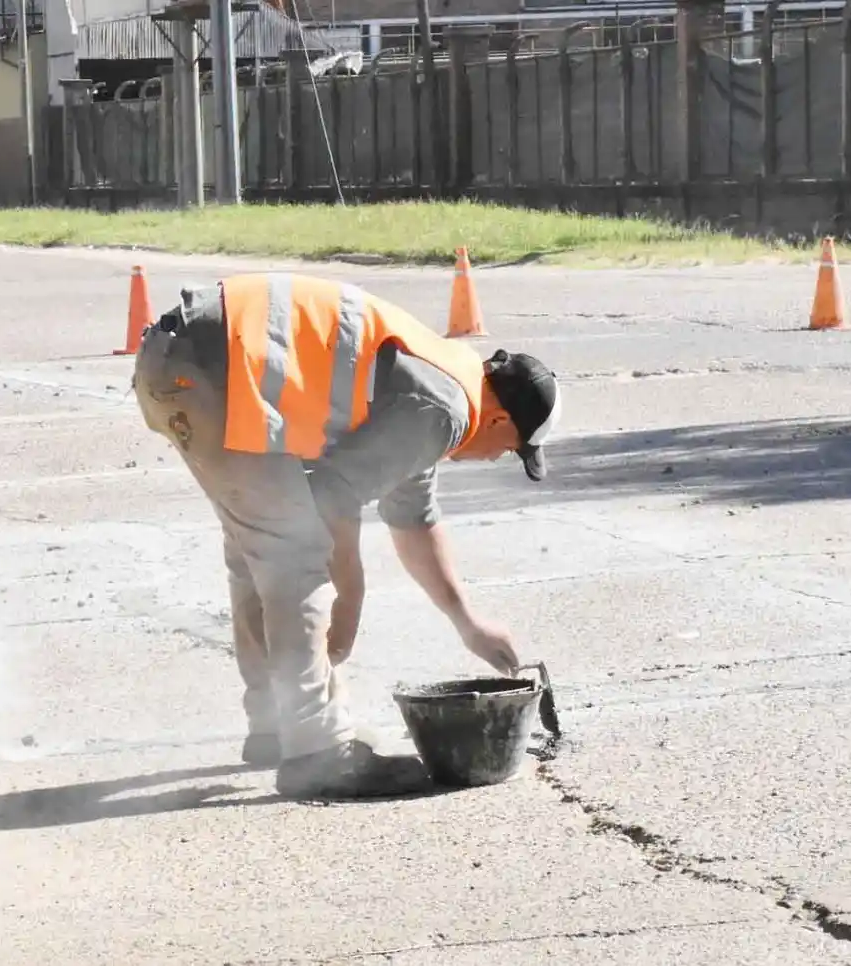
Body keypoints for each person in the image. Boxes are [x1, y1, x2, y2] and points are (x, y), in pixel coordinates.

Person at [132, 272, 561, 801]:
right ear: (498, 418)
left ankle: (275, 722)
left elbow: (415, 519)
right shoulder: (445, 410)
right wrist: (350, 597)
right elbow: (334, 496)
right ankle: (318, 752)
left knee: (257, 548)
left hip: (178, 359)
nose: (497, 457)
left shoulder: (442, 381)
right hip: (213, 368)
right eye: (512, 448)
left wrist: (467, 622)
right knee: (293, 552)